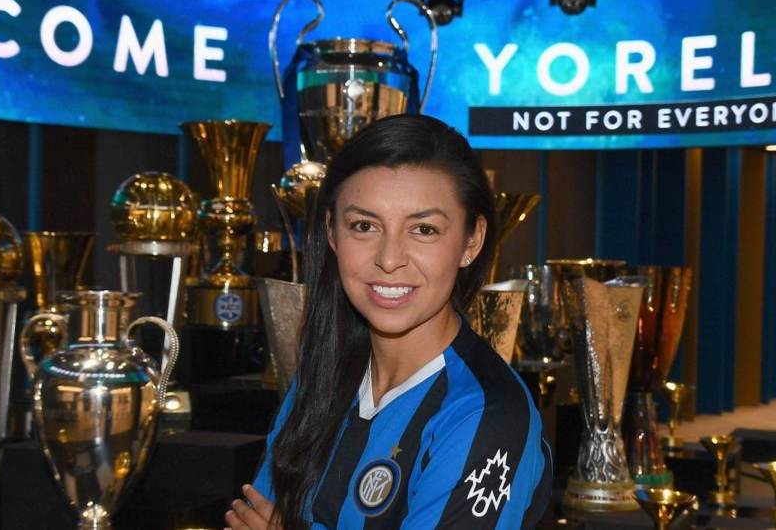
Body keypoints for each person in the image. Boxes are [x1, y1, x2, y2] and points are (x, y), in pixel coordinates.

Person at [225, 114, 551, 530]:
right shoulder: (322, 375)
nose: (390, 258)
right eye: (364, 226)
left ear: (471, 240)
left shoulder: (486, 415)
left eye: (424, 229)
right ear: (331, 233)